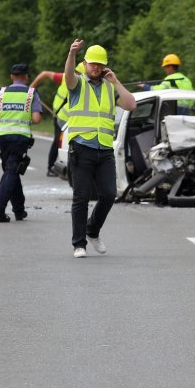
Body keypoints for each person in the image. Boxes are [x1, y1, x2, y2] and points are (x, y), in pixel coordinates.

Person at [64, 39, 137, 258]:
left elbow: (131, 104)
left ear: (105, 66)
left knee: (108, 194)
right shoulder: (77, 83)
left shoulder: (109, 87)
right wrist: (71, 54)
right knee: (81, 197)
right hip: (81, 147)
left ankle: (92, 230)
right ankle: (79, 244)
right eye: (92, 64)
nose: (96, 67)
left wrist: (116, 81)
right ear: (85, 64)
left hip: (104, 149)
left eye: (100, 64)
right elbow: (68, 76)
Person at [0, 63, 43, 222]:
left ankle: (19, 210)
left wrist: (6, 125)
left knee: (11, 171)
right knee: (11, 172)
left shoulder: (1, 92)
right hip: (20, 137)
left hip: (2, 136)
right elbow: (36, 119)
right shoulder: (31, 93)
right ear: (26, 77)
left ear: (11, 76)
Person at [32, 64, 85, 177]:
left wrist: (31, 88)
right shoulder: (78, 82)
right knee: (62, 141)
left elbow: (44, 74)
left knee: (62, 142)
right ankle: (53, 167)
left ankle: (57, 167)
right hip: (62, 117)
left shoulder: (69, 77)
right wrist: (31, 89)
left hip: (65, 117)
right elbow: (44, 73)